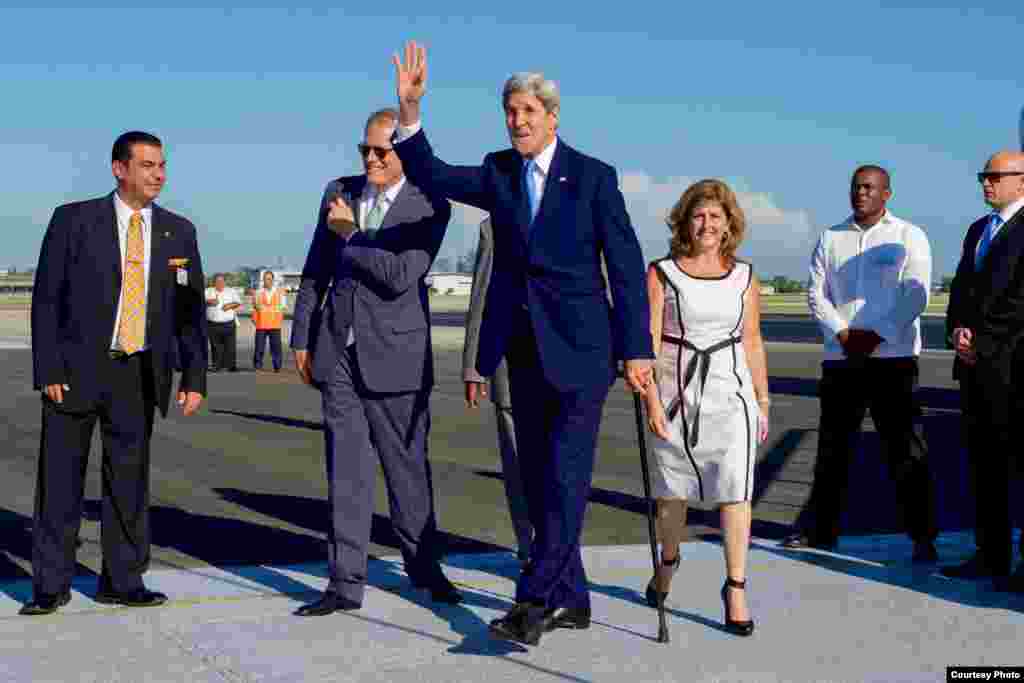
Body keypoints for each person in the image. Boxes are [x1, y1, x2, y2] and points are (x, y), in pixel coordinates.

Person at [391, 41, 653, 646]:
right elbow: (433, 173)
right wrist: (410, 113)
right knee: (538, 484)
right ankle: (574, 599)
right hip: (525, 353)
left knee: (565, 479)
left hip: (585, 354)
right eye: (511, 111)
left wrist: (636, 347)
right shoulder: (498, 172)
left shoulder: (593, 178)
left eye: (529, 111)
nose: (519, 121)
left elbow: (625, 260)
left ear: (553, 116)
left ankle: (532, 601)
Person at [22, 131, 207, 615]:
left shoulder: (178, 232)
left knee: (128, 482)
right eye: (147, 165)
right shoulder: (74, 220)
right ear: (119, 169)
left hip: (139, 372)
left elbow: (189, 313)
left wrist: (193, 377)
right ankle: (50, 583)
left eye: (162, 165)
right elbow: (46, 299)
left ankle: (123, 579)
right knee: (60, 481)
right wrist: (48, 367)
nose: (158, 174)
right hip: (77, 371)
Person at [289, 107, 458, 616]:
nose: (369, 158)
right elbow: (316, 267)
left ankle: (425, 569)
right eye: (364, 148)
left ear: (403, 153)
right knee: (346, 472)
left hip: (399, 355)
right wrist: (302, 335)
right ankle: (344, 583)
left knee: (407, 474)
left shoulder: (430, 204)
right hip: (339, 350)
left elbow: (400, 274)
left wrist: (351, 236)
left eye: (381, 150)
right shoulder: (338, 193)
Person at [784, 165, 938, 562]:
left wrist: (877, 334)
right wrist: (844, 334)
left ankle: (923, 538)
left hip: (894, 360)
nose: (861, 193)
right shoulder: (830, 237)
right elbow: (816, 294)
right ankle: (821, 532)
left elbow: (916, 294)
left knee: (905, 450)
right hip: (842, 360)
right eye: (856, 187)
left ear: (887, 193)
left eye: (869, 187)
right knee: (832, 451)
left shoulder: (909, 236)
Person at [643, 180, 769, 636]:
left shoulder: (746, 275)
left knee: (736, 492)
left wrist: (763, 399)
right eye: (699, 216)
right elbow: (648, 342)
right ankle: (669, 560)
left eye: (716, 217)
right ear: (684, 221)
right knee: (671, 496)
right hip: (676, 395)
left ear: (729, 223)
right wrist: (652, 401)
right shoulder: (661, 272)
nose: (707, 225)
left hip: (731, 398)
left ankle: (735, 587)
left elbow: (752, 340)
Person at [943, 151, 1024, 592]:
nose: (986, 183)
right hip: (975, 370)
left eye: (994, 176)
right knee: (985, 466)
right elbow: (960, 287)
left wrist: (983, 340)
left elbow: (1020, 301)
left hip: (1014, 365)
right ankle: (990, 554)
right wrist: (957, 329)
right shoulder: (979, 229)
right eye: (983, 176)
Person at [463, 217, 532, 562]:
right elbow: (481, 294)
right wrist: (474, 366)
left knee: (564, 467)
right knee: (518, 466)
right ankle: (529, 551)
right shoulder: (493, 226)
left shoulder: (583, 207)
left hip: (570, 367)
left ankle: (558, 552)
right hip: (510, 364)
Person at [205, 274, 241, 372]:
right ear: (214, 282)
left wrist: (230, 305)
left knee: (230, 346)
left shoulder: (231, 291)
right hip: (213, 323)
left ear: (224, 282)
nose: (219, 284)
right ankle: (216, 365)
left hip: (228, 323)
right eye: (217, 282)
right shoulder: (208, 291)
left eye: (221, 281)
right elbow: (200, 302)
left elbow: (238, 302)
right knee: (215, 346)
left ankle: (231, 365)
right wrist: (209, 302)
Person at [252, 270, 285, 372]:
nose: (267, 281)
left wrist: (265, 308)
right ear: (263, 281)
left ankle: (277, 366)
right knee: (259, 347)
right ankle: (258, 365)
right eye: (266, 279)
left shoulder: (280, 292)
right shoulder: (258, 292)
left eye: (269, 279)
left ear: (273, 280)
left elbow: (282, 306)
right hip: (261, 324)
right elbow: (255, 306)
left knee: (276, 347)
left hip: (275, 324)